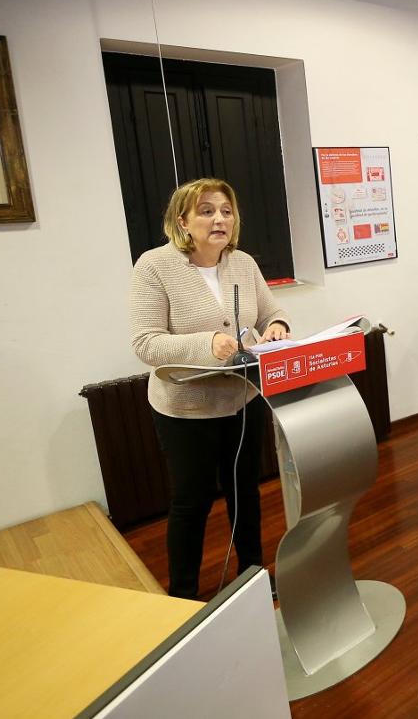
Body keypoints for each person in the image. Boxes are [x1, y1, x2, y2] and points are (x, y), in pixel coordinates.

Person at [130, 178, 290, 599]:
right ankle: (182, 596)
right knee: (192, 502)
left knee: (245, 493)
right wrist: (208, 344)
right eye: (206, 211)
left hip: (243, 398)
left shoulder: (242, 262)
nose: (219, 218)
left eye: (226, 210)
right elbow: (146, 342)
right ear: (182, 221)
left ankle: (253, 574)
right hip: (186, 408)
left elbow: (272, 311)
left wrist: (276, 327)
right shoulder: (153, 267)